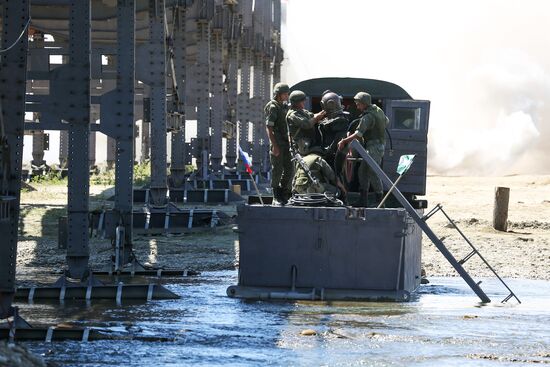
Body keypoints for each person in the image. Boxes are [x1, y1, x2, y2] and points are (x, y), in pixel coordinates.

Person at [337, 92, 389, 207]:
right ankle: (363, 200)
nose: (357, 106)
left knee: (373, 171)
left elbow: (358, 134)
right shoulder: (378, 110)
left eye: (358, 104)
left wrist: (344, 141)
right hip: (375, 146)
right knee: (362, 171)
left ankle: (380, 201)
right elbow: (386, 121)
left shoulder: (368, 116)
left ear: (364, 103)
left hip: (374, 146)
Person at [265, 83, 293, 205]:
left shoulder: (283, 106)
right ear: (278, 94)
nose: (287, 96)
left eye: (287, 94)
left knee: (289, 169)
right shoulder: (273, 107)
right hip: (277, 143)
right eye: (285, 94)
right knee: (277, 169)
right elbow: (269, 129)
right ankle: (276, 195)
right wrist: (275, 146)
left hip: (285, 143)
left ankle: (284, 193)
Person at [286, 90, 326, 155]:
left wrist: (323, 112)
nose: (304, 102)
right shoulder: (293, 115)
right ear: (296, 103)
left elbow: (312, 115)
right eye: (302, 101)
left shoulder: (302, 111)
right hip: (302, 146)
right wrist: (316, 118)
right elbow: (307, 124)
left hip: (308, 142)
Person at [318, 91, 350, 171]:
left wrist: (329, 151)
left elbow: (338, 138)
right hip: (326, 152)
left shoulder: (341, 121)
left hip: (334, 155)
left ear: (330, 104)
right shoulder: (328, 119)